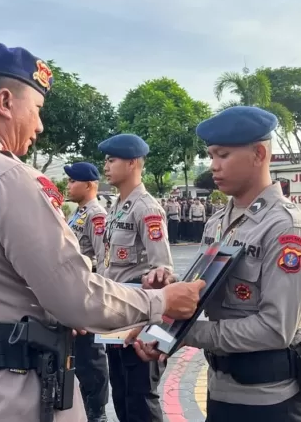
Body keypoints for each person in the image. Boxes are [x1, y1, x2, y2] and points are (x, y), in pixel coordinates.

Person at [0, 43, 204, 422]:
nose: (39, 125)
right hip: (12, 393)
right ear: (5, 102)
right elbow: (75, 296)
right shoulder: (8, 179)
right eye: (36, 109)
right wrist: (163, 302)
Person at [133, 106, 301, 422]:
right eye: (211, 155)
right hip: (222, 387)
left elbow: (274, 330)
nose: (213, 167)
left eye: (222, 155)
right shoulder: (218, 223)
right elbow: (204, 293)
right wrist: (167, 310)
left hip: (268, 399)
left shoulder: (287, 229)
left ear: (258, 154)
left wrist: (187, 334)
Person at [98, 133, 173, 422]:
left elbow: (162, 270)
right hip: (116, 316)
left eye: (112, 160)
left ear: (131, 163)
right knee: (122, 394)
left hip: (139, 322)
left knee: (141, 396)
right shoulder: (117, 207)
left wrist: (150, 326)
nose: (106, 166)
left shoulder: (147, 208)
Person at [63, 162, 110, 422]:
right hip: (74, 295)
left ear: (89, 185)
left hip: (88, 295)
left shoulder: (96, 216)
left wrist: (96, 301)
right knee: (80, 357)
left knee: (92, 358)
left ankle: (97, 412)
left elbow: (103, 260)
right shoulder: (78, 213)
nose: (69, 185)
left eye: (73, 181)